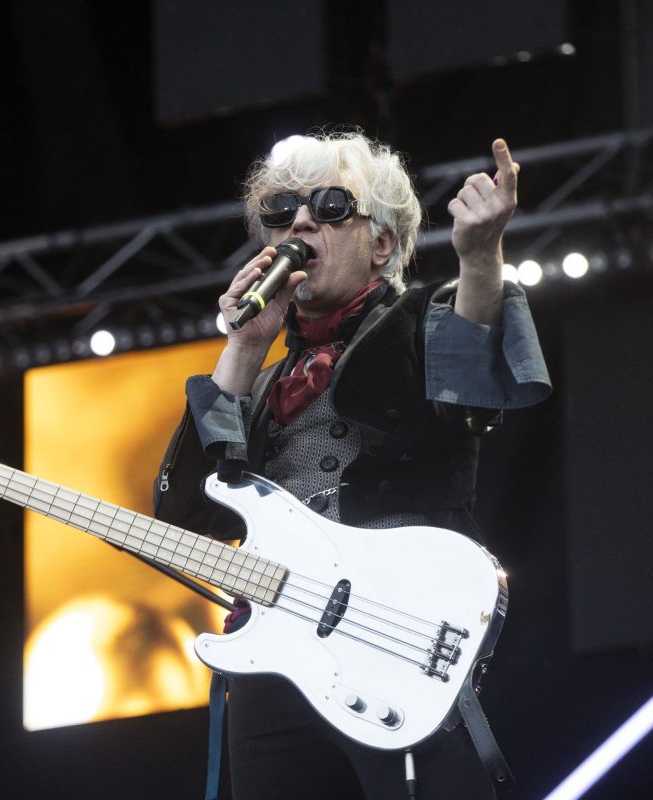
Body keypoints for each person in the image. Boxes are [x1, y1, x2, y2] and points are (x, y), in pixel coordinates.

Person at [152, 130, 551, 799]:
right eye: (280, 213)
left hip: (395, 644)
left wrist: (481, 257)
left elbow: (471, 389)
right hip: (277, 662)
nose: (301, 224)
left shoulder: (420, 326)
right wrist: (244, 349)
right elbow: (185, 513)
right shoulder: (262, 385)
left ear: (382, 244)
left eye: (332, 206)